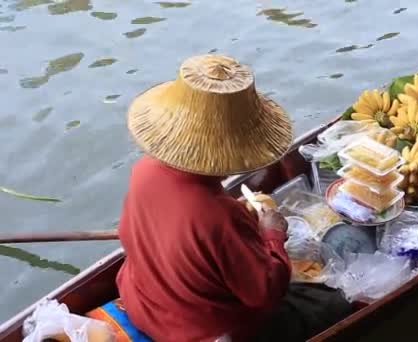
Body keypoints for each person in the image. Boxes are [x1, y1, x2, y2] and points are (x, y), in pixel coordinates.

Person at [116, 54, 352, 342]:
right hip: (199, 332)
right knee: (335, 303)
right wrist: (273, 235)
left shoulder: (144, 169)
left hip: (141, 300)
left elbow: (132, 232)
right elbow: (264, 292)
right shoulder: (219, 215)